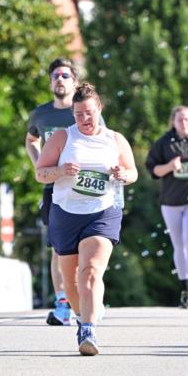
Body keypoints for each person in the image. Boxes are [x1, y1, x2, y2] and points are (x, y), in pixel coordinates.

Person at [35, 83, 137, 355]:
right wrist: (60, 170)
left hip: (102, 211)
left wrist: (122, 175)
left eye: (89, 113)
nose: (84, 119)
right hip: (66, 213)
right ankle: (82, 316)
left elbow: (133, 172)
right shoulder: (61, 138)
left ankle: (88, 330)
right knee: (71, 282)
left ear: (99, 109)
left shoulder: (115, 139)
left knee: (90, 271)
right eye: (78, 114)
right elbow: (40, 173)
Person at [26, 58, 79, 326]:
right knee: (58, 247)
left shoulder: (83, 112)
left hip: (81, 188)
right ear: (50, 82)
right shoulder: (41, 114)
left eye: (65, 75)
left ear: (75, 82)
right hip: (52, 187)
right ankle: (62, 303)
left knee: (83, 248)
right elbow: (31, 140)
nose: (60, 79)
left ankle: (82, 298)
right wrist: (40, 165)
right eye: (56, 75)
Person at [146, 106, 188, 308]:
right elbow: (153, 170)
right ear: (173, 122)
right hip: (171, 201)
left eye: (186, 119)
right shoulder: (163, 143)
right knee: (179, 245)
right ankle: (185, 289)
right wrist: (169, 167)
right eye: (179, 120)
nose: (183, 123)